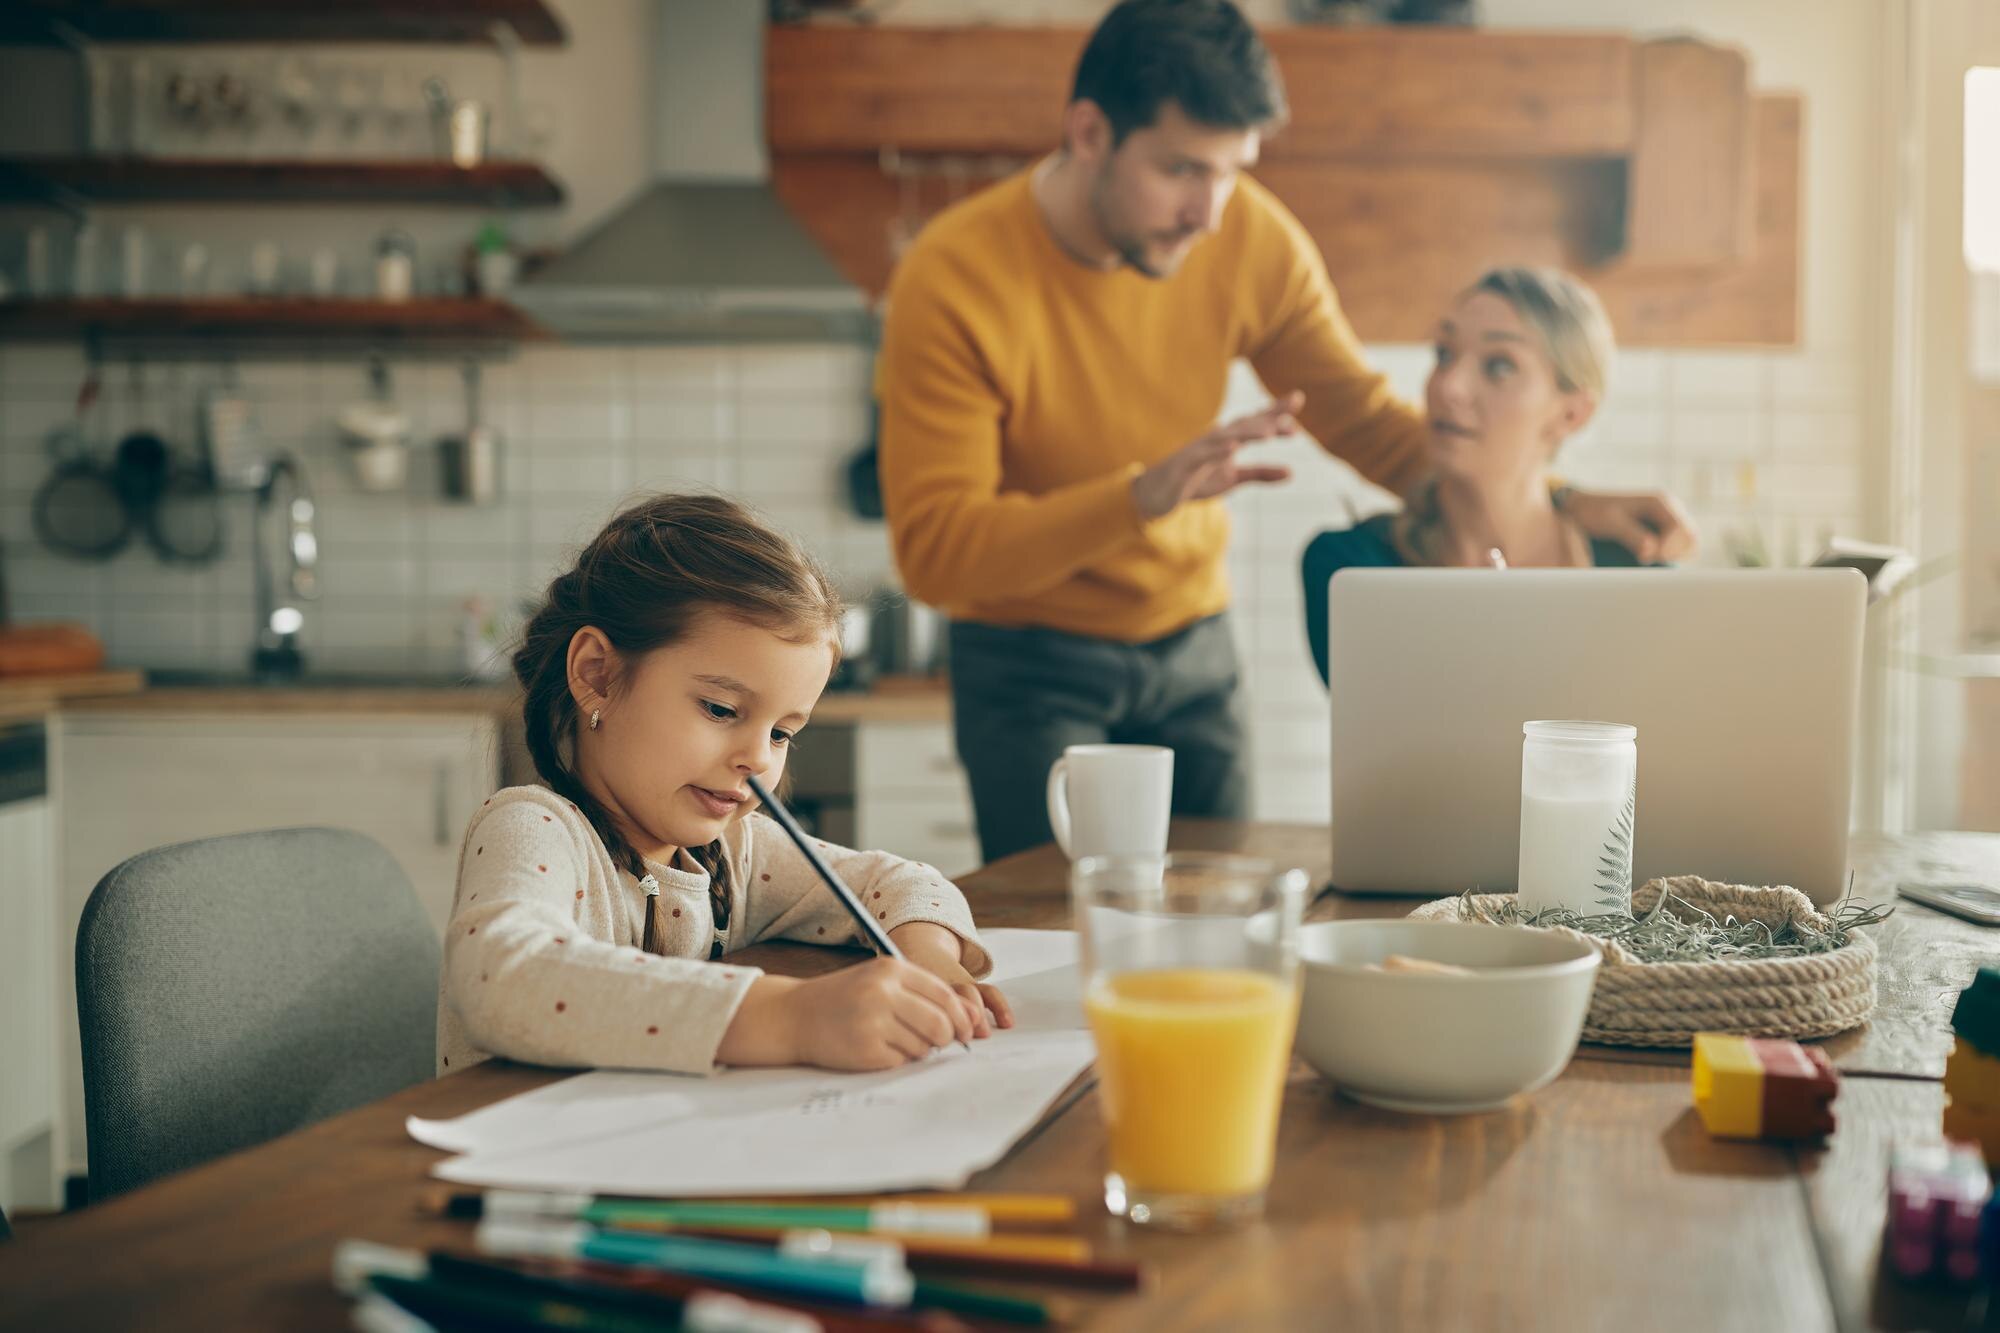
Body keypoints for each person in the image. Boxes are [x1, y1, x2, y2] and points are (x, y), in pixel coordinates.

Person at [876, 0, 1694, 864]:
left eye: (1232, 171)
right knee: (1054, 935)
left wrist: (1563, 497)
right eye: (1182, 169)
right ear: (1088, 133)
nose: (1210, 211)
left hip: (1194, 648)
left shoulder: (1250, 238)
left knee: (1220, 912)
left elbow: (1371, 424)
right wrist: (1141, 497)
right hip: (1027, 662)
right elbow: (937, 553)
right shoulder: (954, 276)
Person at [439, 493, 1012, 1078]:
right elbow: (500, 978)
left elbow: (902, 882)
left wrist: (928, 962)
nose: (757, 759)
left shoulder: (735, 858)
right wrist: (790, 1018)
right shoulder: (534, 828)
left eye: (784, 733)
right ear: (597, 675)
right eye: (720, 709)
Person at [1301, 267, 1656, 686]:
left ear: (1571, 414)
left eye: (1499, 366)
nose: (1448, 386)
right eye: (1444, 353)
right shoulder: (1352, 569)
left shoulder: (1639, 576)